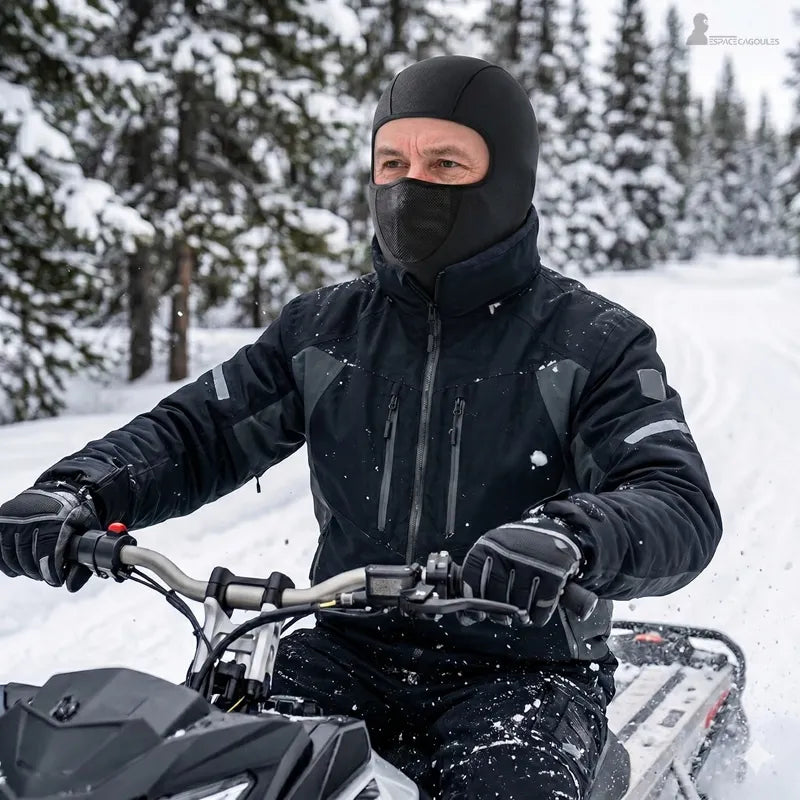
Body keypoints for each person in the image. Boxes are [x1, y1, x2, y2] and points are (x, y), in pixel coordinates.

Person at [0, 56, 722, 798]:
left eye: (445, 164)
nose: (410, 187)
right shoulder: (323, 330)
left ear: (507, 178)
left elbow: (675, 499)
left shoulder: (593, 341)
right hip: (345, 652)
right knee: (210, 768)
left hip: (523, 669)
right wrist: (78, 491)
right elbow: (196, 434)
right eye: (392, 163)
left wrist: (571, 535)